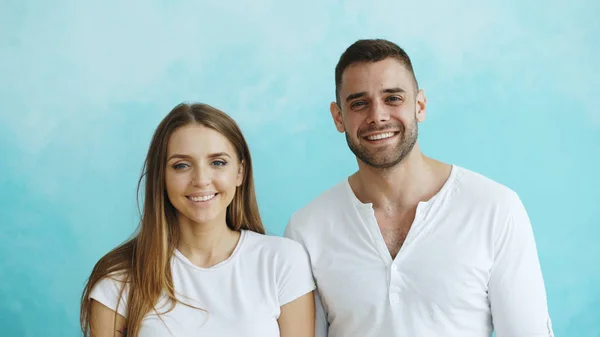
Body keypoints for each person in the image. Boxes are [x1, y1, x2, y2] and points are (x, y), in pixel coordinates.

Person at [284, 39, 554, 337]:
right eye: (359, 103)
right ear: (339, 117)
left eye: (393, 98)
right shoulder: (307, 228)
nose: (378, 116)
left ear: (420, 105)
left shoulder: (495, 207)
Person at [80, 103, 315, 337]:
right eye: (181, 165)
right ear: (161, 177)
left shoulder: (282, 261)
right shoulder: (119, 278)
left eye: (218, 163)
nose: (201, 180)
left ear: (240, 172)